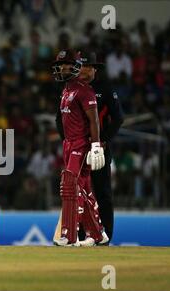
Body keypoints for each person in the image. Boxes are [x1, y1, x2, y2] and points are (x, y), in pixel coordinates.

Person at [55, 51, 123, 243]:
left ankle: (104, 236)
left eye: (88, 67)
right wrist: (68, 142)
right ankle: (92, 234)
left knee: (101, 192)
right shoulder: (68, 88)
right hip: (75, 145)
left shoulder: (104, 89)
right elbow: (60, 119)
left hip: (96, 147)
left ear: (95, 69)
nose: (84, 71)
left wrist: (100, 143)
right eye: (81, 67)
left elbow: (117, 119)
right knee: (82, 188)